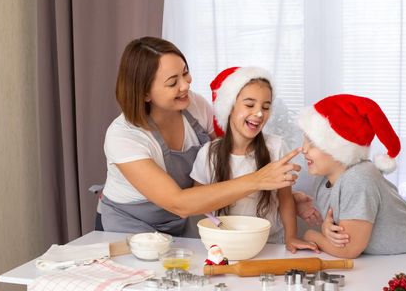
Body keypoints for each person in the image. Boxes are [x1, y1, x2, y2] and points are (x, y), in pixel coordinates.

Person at [100, 37, 301, 235]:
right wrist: (258, 180)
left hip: (181, 220)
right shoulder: (123, 137)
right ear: (145, 93)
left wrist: (277, 196)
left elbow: (223, 160)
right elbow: (178, 202)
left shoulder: (193, 105)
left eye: (185, 73)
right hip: (130, 225)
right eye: (173, 82)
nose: (185, 85)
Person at [298, 94, 406, 258]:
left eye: (312, 142)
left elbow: (348, 250)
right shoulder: (323, 180)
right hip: (389, 259)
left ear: (337, 147)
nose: (303, 149)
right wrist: (326, 229)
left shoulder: (358, 178)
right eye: (304, 141)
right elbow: (342, 235)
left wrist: (310, 236)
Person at [190, 66, 318, 253]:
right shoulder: (209, 153)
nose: (259, 113)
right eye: (250, 105)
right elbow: (196, 200)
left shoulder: (275, 147)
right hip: (226, 245)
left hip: (271, 243)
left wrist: (291, 238)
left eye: (265, 107)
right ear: (230, 107)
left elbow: (285, 199)